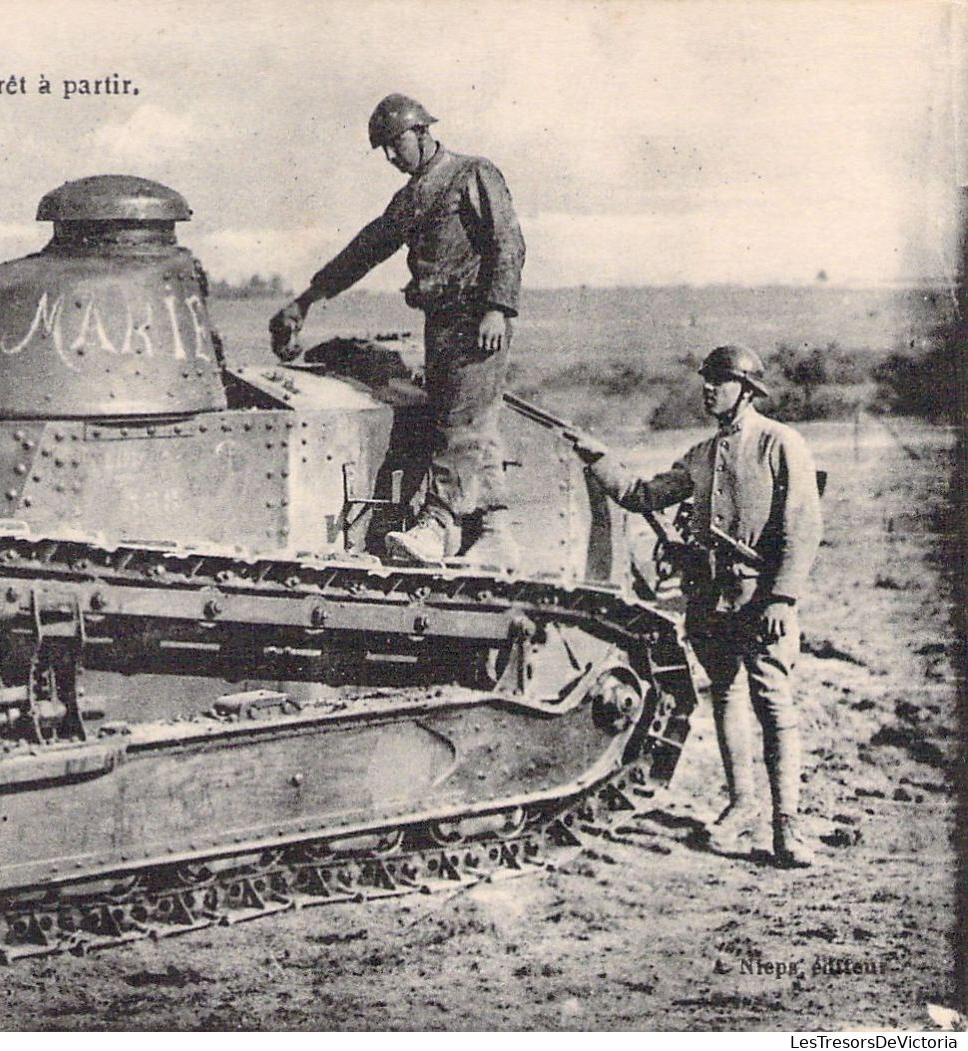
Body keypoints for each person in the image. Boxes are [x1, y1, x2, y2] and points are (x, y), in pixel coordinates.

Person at [570, 345, 823, 867]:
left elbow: (803, 526)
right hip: (710, 600)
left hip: (762, 599)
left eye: (721, 381)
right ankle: (741, 806)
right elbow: (643, 494)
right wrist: (598, 459)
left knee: (773, 701)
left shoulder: (780, 443)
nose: (709, 389)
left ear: (747, 391)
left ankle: (787, 826)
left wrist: (783, 597)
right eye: (707, 380)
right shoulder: (702, 455)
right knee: (726, 696)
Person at [271, 92, 526, 565]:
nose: (390, 156)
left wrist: (498, 307)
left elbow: (507, 241)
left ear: (423, 132)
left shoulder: (472, 174)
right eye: (383, 150)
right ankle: (494, 531)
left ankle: (438, 526)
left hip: (476, 319)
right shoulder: (410, 199)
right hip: (440, 324)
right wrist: (309, 298)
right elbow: (365, 251)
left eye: (395, 144)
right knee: (470, 419)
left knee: (461, 424)